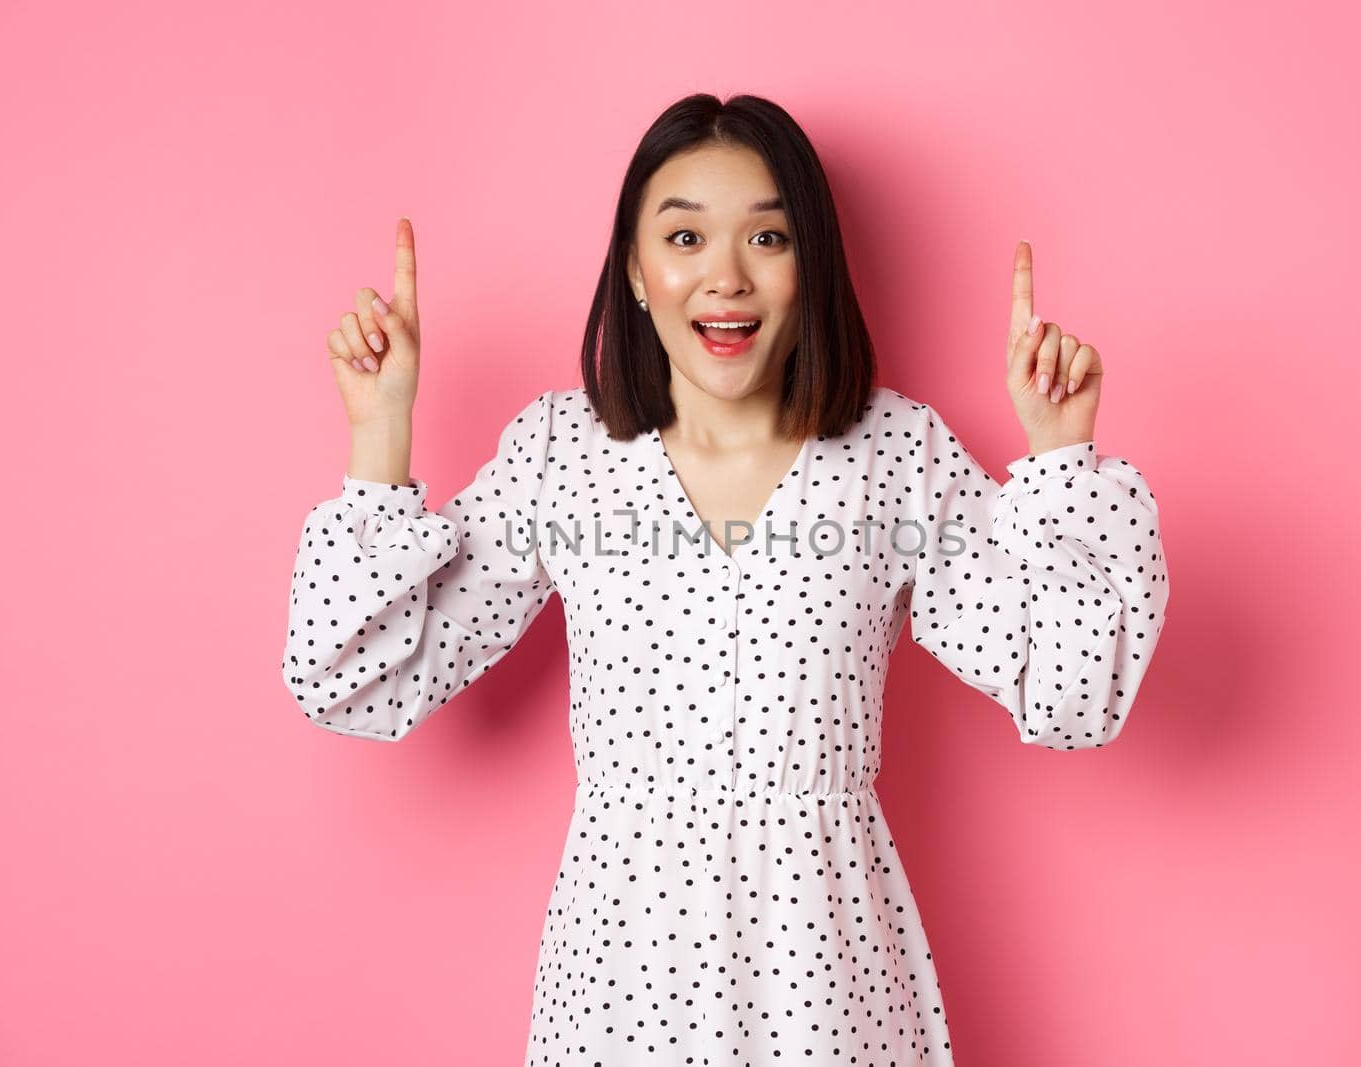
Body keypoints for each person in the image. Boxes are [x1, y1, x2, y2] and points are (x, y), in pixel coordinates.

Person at [282, 92, 1170, 1065]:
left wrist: (1059, 459)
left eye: (768, 236)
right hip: (623, 980)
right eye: (685, 236)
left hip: (826, 981)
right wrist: (379, 436)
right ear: (633, 265)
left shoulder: (893, 453)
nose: (725, 278)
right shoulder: (561, 455)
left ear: (811, 264)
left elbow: (1074, 689)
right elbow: (351, 680)